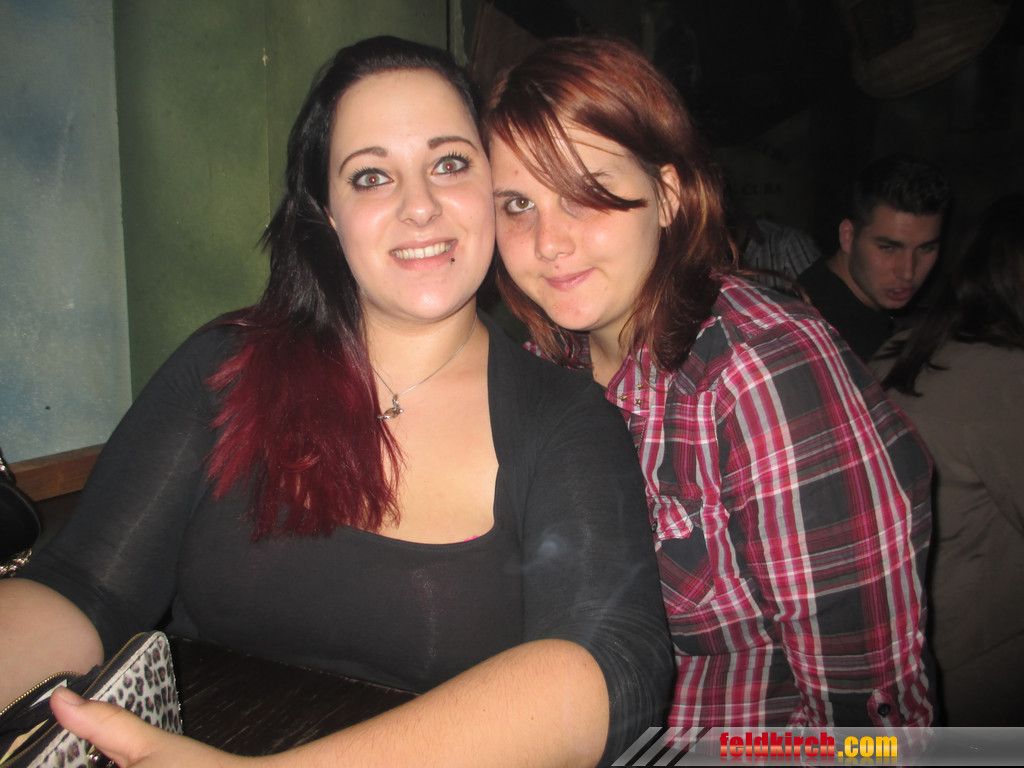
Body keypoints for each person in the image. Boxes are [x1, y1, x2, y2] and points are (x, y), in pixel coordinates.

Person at [0, 36, 673, 767]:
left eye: (450, 164)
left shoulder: (565, 417)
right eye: (372, 176)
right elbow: (81, 586)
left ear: (491, 186)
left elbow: (610, 662)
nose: (420, 207)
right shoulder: (223, 369)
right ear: (327, 211)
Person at [483, 35, 934, 731]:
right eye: (517, 204)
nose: (549, 241)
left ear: (666, 196)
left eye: (586, 192)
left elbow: (873, 731)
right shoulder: (543, 369)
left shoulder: (762, 373)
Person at [873, 193, 1024, 726]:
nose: (907, 269)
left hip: (906, 655)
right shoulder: (1006, 379)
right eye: (889, 246)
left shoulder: (908, 345)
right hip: (970, 674)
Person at [798, 154, 951, 361]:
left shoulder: (827, 294)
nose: (907, 272)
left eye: (926, 249)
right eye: (888, 248)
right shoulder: (830, 337)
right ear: (848, 236)